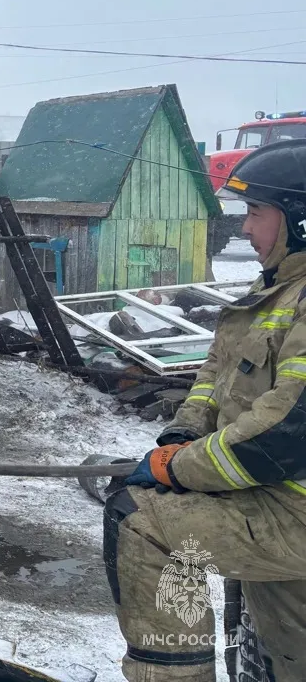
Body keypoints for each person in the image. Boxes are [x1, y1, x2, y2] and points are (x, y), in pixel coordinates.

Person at [104, 139, 306, 681]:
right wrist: (182, 435)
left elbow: (283, 434)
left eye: (256, 213)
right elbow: (216, 376)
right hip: (275, 498)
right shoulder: (277, 291)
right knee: (283, 651)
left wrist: (178, 469)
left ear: (300, 221)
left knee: (141, 522)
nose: (245, 228)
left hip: (290, 507)